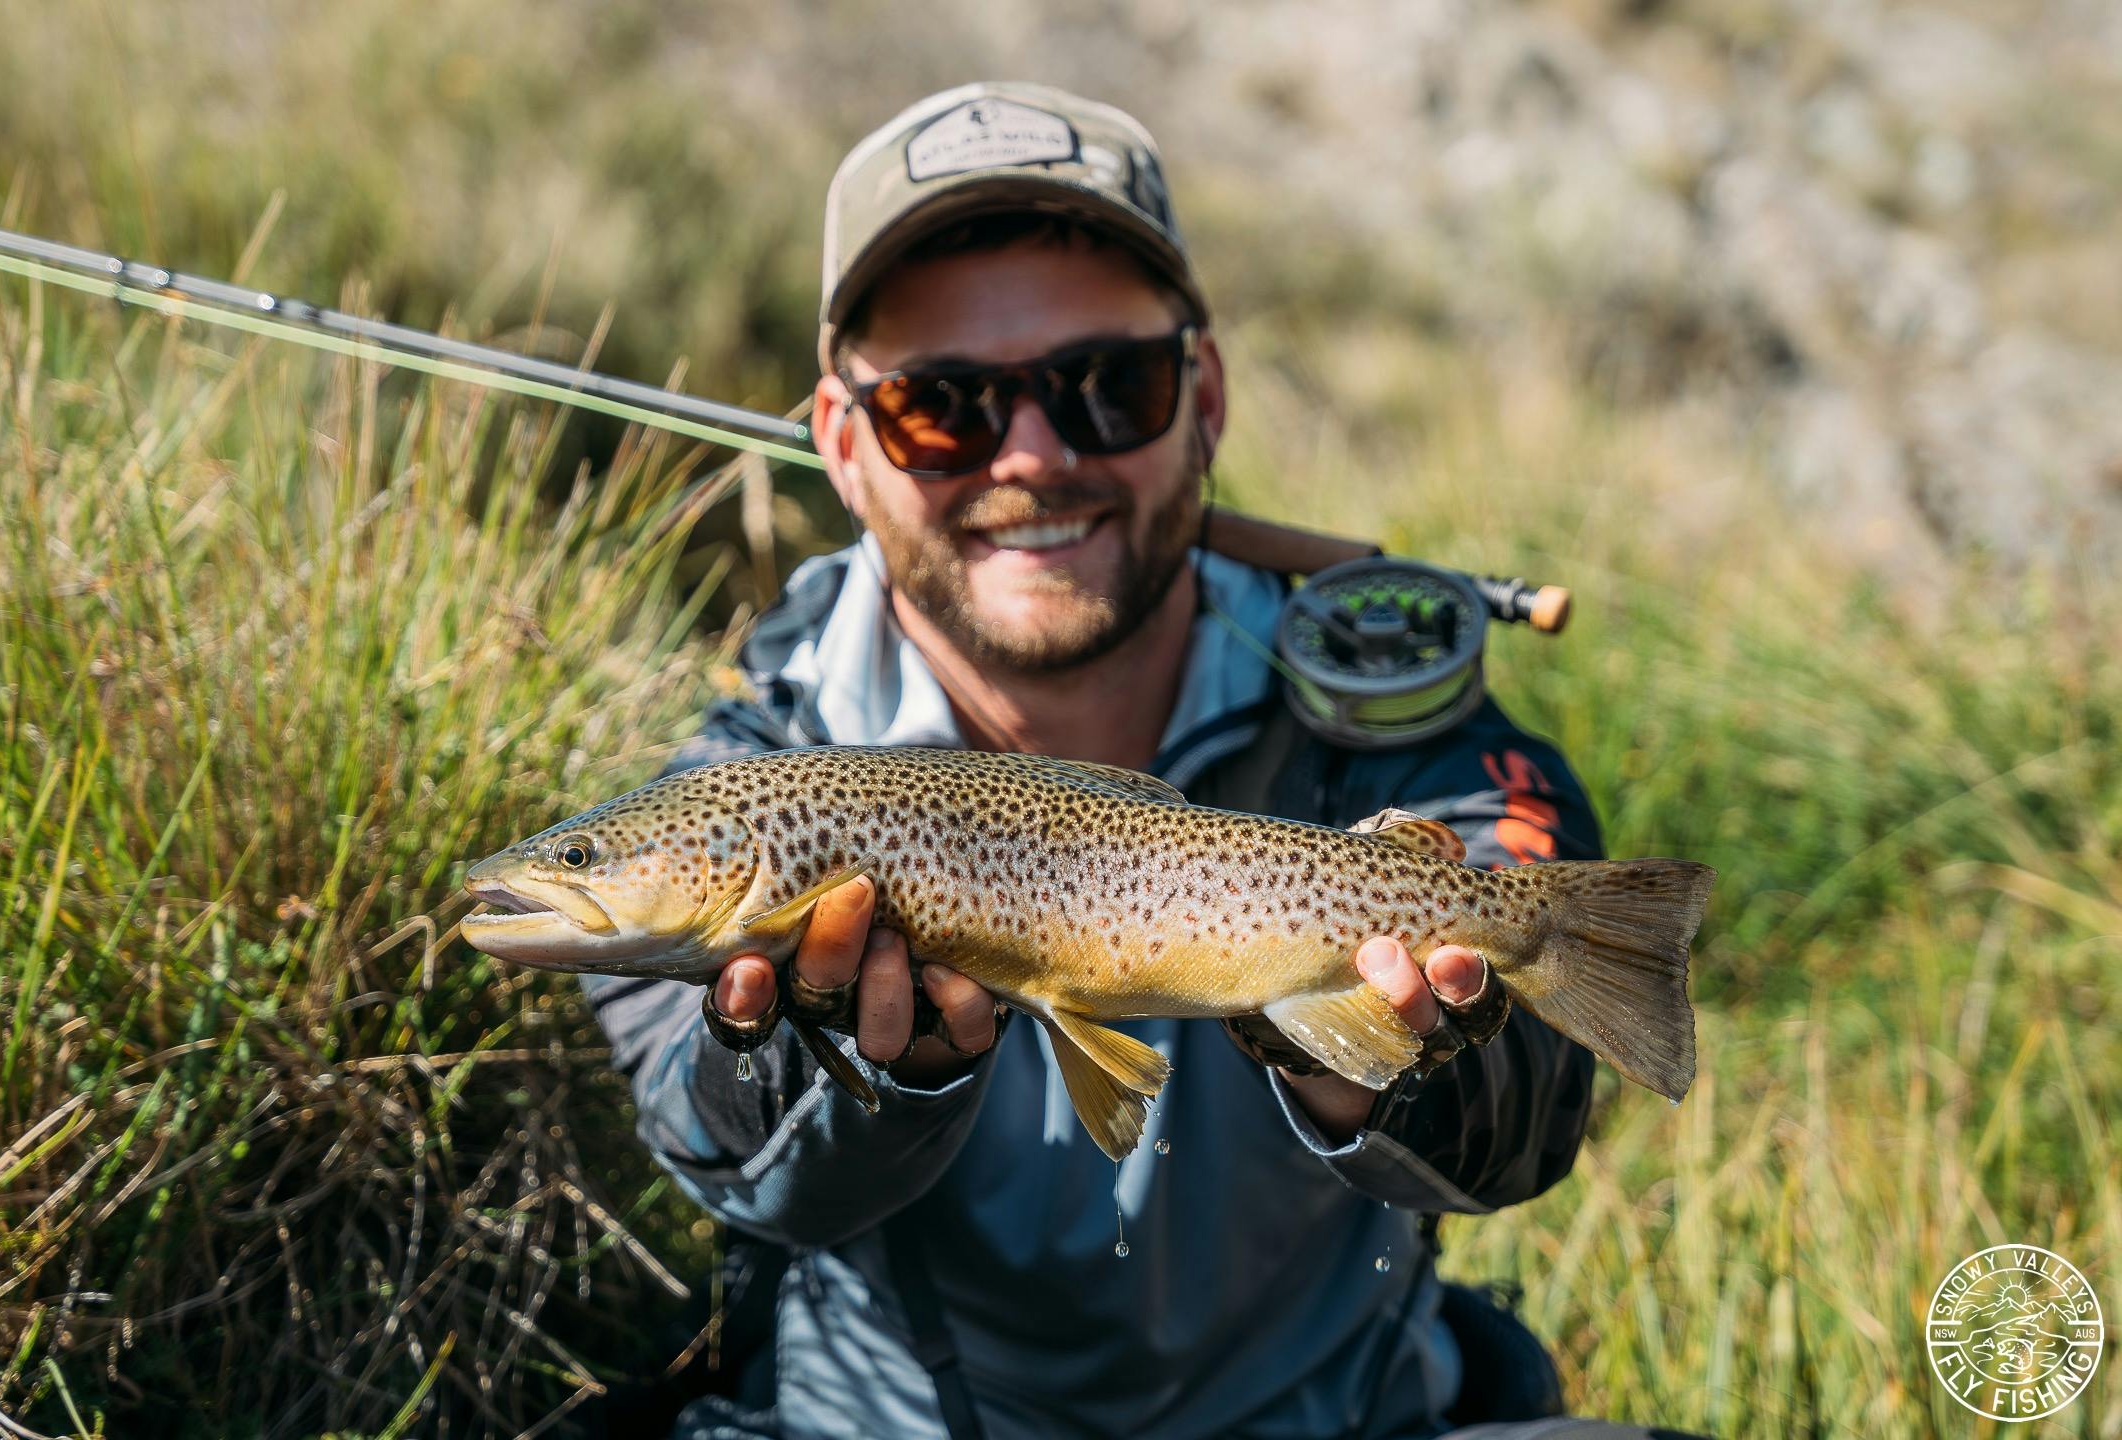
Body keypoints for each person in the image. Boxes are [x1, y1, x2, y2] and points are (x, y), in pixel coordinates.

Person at [584, 81, 1701, 1440]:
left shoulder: (1386, 725)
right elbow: (723, 1164)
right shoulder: (752, 775)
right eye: (943, 407)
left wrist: (1382, 1061)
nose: (1037, 456)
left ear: (1205, 395)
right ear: (842, 444)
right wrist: (864, 1075)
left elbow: (1530, 1125)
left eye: (1110, 386)